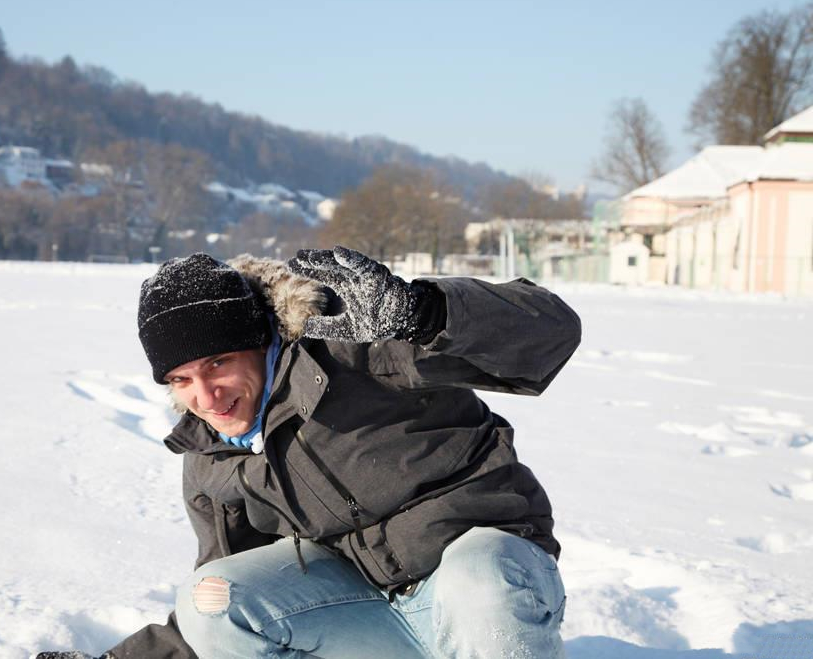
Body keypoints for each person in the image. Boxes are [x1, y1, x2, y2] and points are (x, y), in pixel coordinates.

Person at [37, 246, 580, 659]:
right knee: (211, 596)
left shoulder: (353, 347)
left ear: (259, 341)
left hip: (488, 581)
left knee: (478, 580)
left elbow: (549, 335)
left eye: (218, 364)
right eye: (181, 379)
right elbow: (223, 597)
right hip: (370, 617)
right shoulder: (212, 455)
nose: (206, 397)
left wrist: (423, 312)